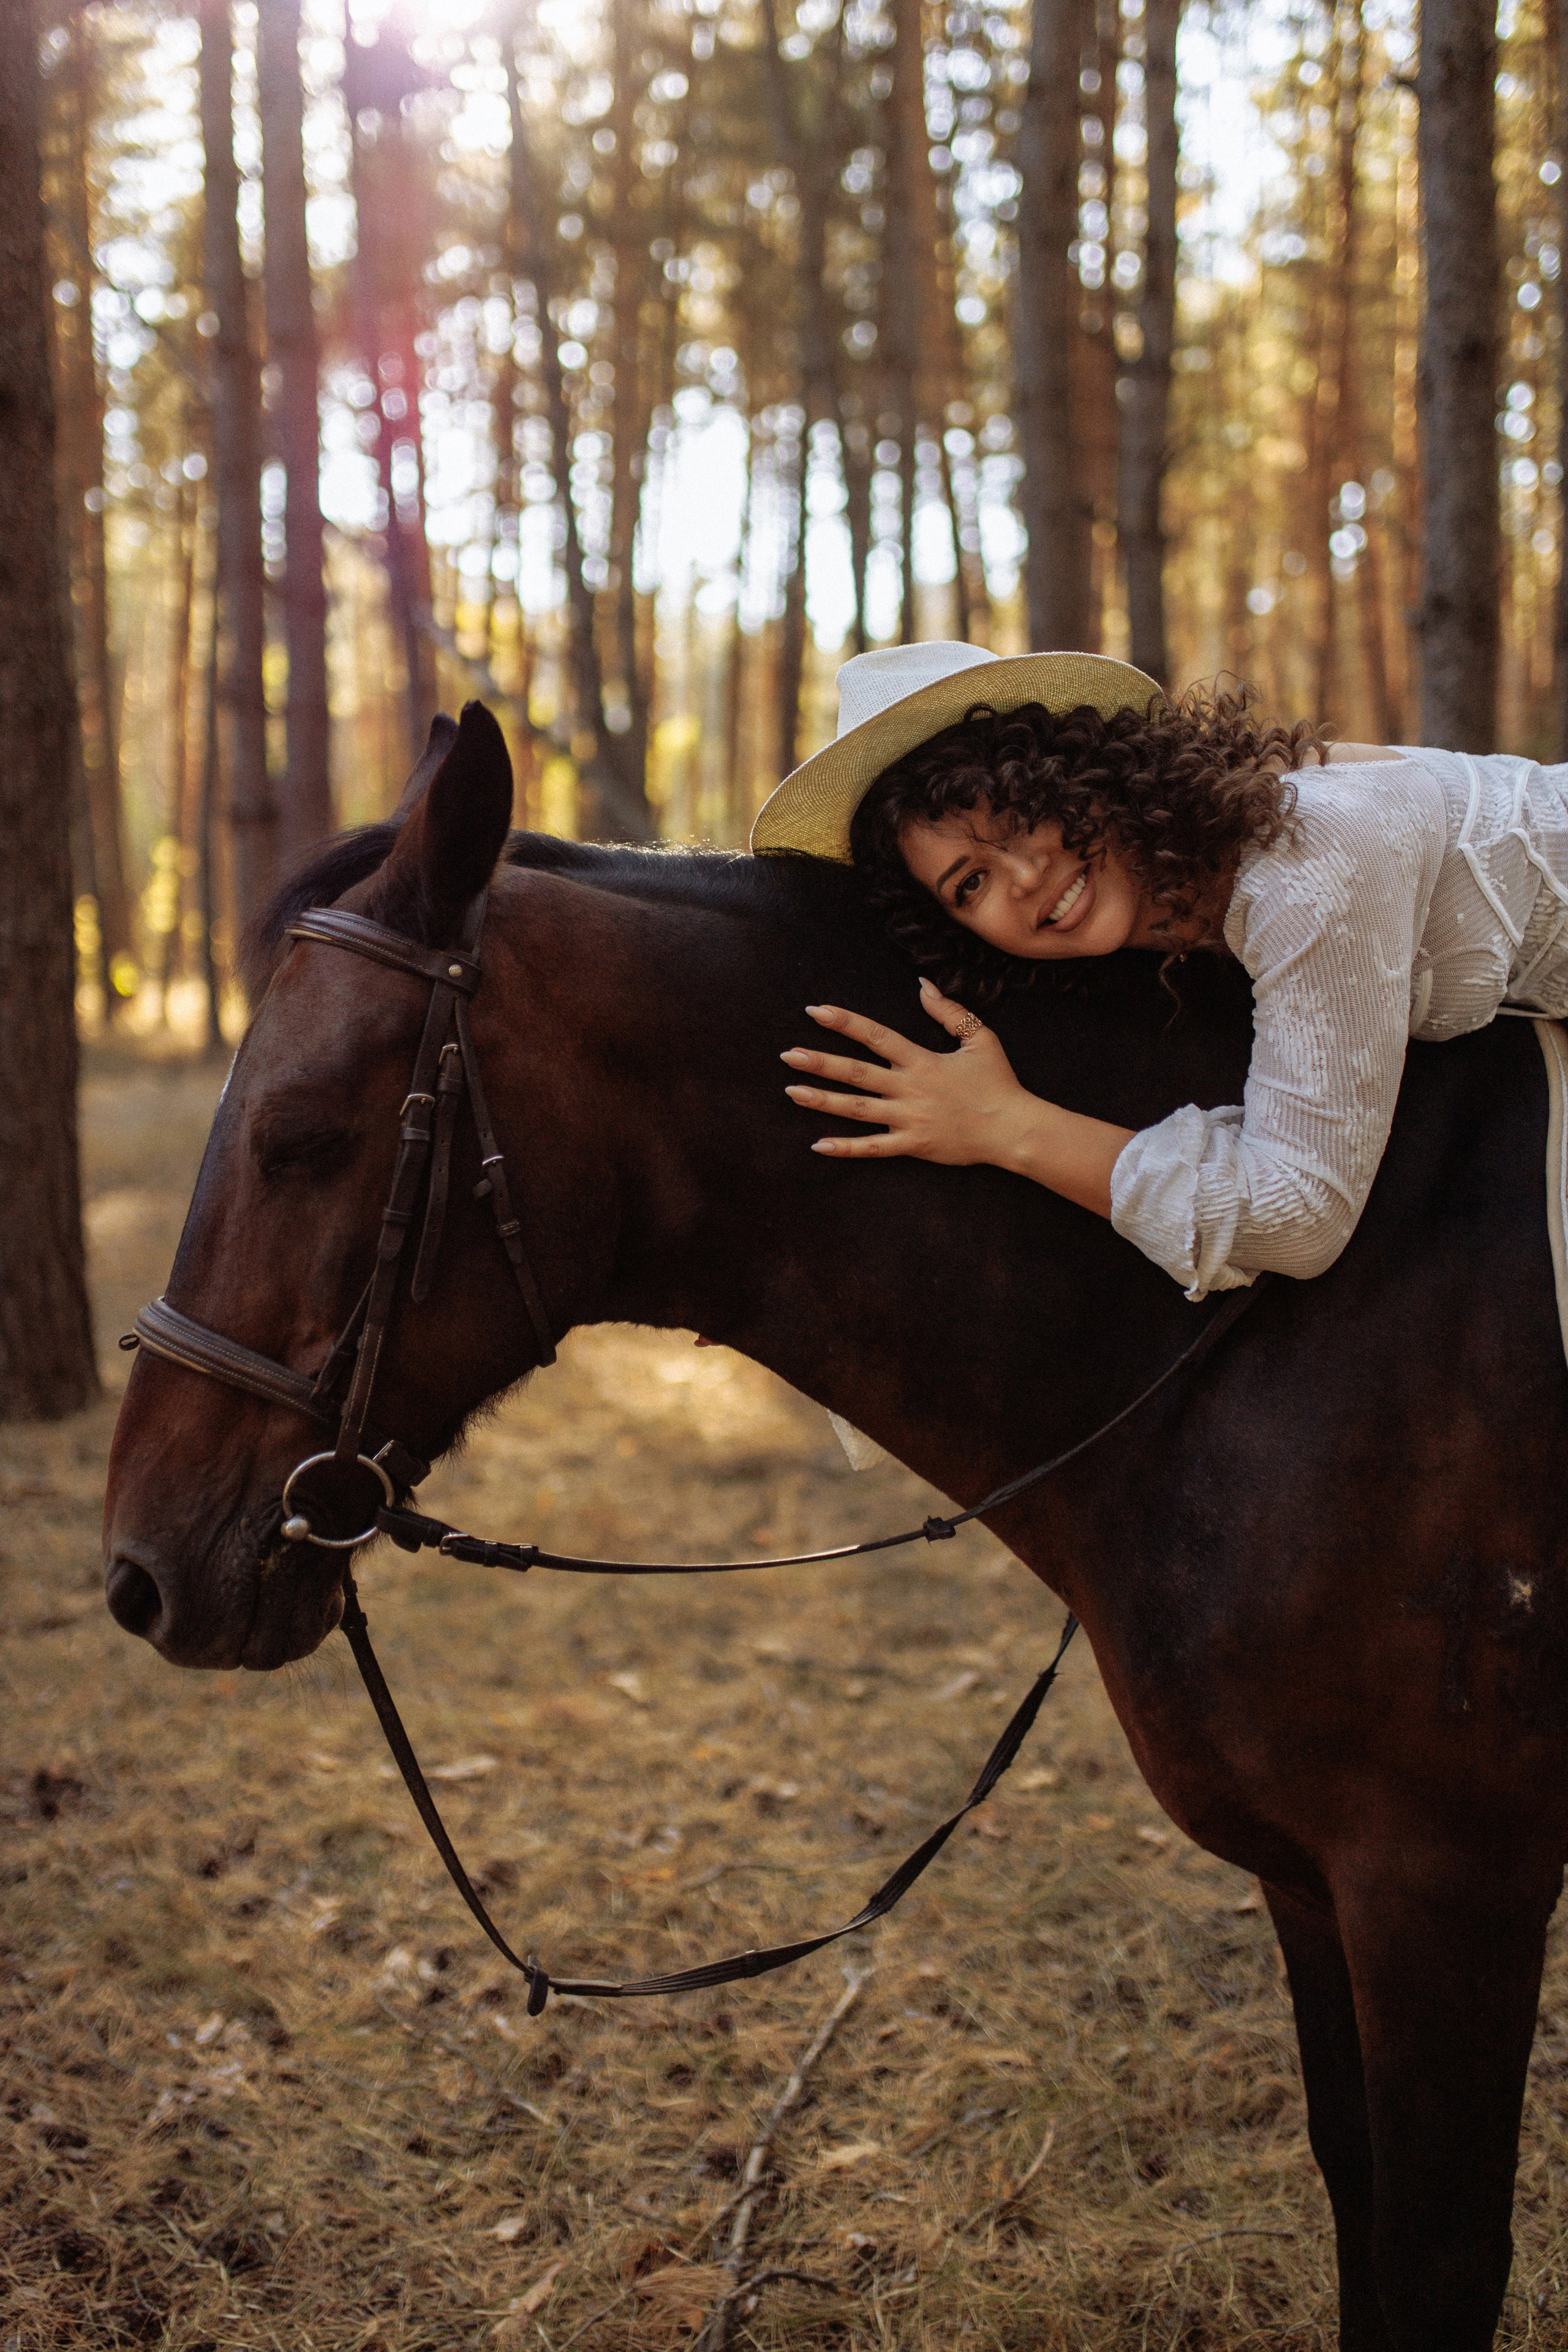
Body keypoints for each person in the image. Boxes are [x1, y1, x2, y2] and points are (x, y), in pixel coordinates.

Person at [750, 642, 1568, 1300]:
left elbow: (1297, 1219)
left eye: (1020, 816)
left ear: (1088, 774)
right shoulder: (1199, 884)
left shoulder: (1307, 860)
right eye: (970, 884)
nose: (1022, 877)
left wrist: (1005, 1126)